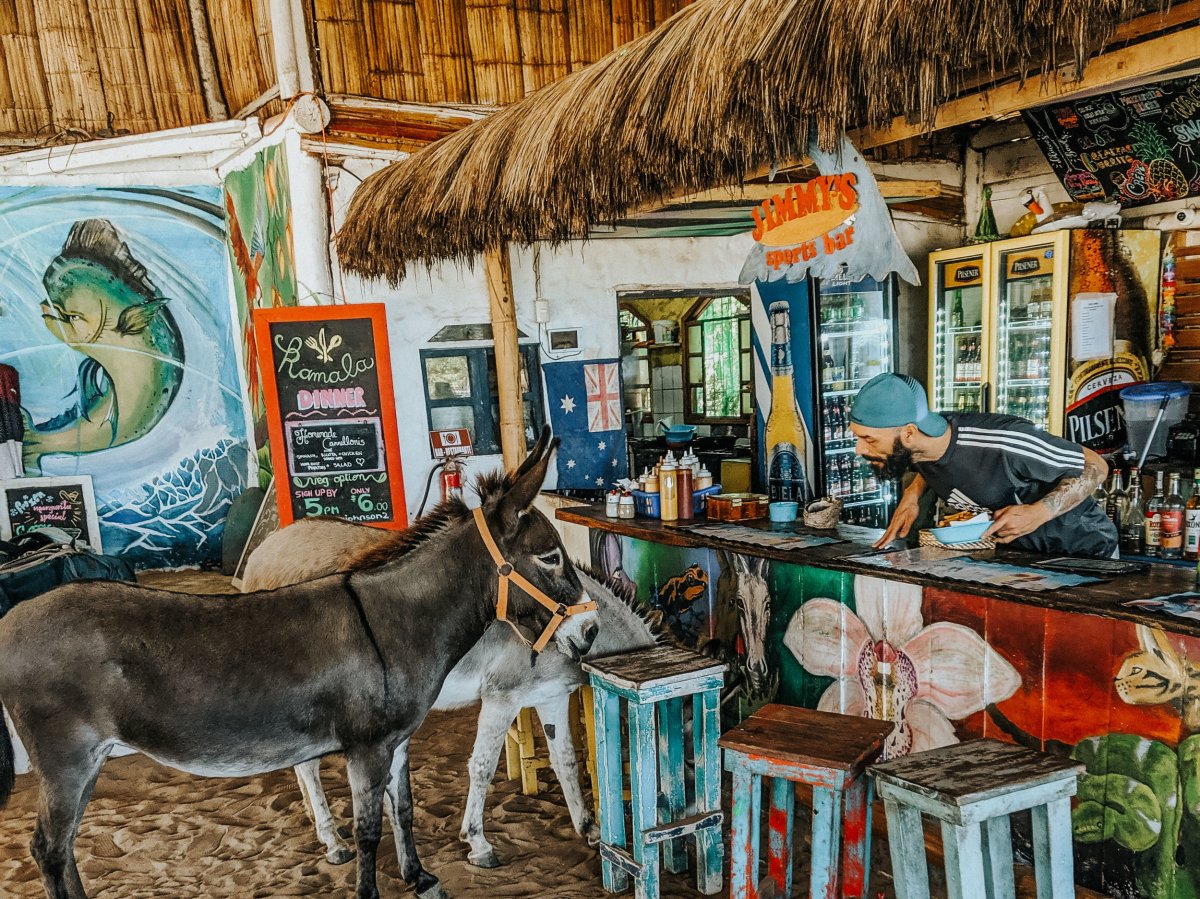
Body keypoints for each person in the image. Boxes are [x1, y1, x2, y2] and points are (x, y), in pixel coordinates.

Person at [848, 373, 1116, 558]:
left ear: (908, 433)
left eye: (868, 439)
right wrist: (913, 494)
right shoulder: (923, 442)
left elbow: (1095, 466)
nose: (860, 449)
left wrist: (1040, 512)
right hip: (1021, 556)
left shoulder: (1005, 442)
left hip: (1085, 552)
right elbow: (934, 458)